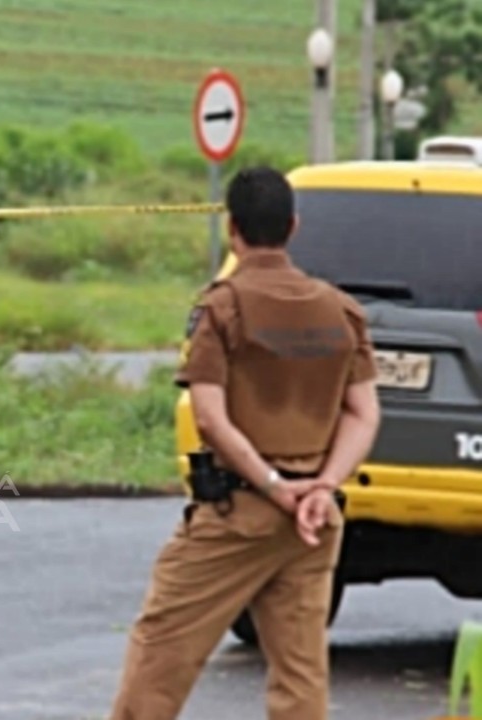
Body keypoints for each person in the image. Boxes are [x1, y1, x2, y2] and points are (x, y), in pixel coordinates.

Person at [108, 166, 381, 720]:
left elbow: (210, 417)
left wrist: (275, 485)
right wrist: (322, 485)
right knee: (301, 674)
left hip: (241, 511)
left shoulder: (223, 308)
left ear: (232, 228)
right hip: (314, 519)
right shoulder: (341, 310)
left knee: (162, 652)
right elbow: (364, 411)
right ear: (293, 227)